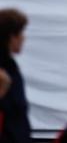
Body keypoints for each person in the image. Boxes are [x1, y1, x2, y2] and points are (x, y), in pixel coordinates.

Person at [0, 8, 30, 143]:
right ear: (11, 37)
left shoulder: (11, 66)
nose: (24, 38)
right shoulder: (3, 72)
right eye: (21, 33)